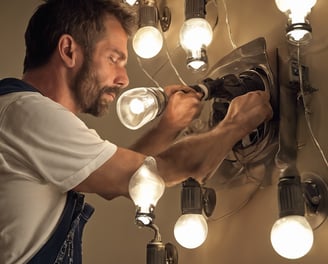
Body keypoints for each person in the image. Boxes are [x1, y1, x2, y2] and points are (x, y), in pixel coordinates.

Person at [0, 0, 273, 263]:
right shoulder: (30, 115)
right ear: (69, 50)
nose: (124, 78)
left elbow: (125, 179)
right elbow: (154, 173)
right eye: (113, 59)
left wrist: (168, 127)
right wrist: (236, 124)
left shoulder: (18, 114)